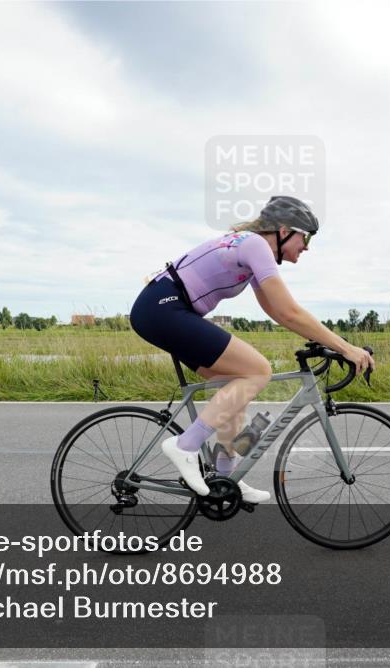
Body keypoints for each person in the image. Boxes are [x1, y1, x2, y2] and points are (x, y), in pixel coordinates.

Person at [129, 196, 375, 503]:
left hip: (165, 311)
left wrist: (330, 342)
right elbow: (289, 312)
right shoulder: (256, 245)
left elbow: (276, 311)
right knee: (258, 370)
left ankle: (225, 475)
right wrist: (346, 347)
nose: (307, 245)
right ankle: (185, 446)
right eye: (306, 236)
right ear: (284, 230)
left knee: (238, 381)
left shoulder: (252, 248)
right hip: (164, 309)